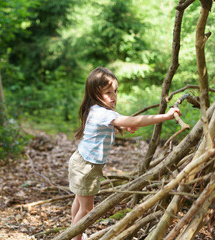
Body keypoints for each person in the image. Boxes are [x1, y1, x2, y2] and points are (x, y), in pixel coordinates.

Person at [68, 67, 180, 240]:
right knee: (87, 209)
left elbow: (117, 121)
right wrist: (165, 116)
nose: (113, 96)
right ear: (94, 93)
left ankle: (74, 233)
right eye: (108, 92)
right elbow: (135, 120)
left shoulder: (98, 109)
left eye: (115, 91)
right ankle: (75, 237)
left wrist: (123, 125)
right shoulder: (100, 112)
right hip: (86, 167)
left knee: (79, 201)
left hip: (82, 162)